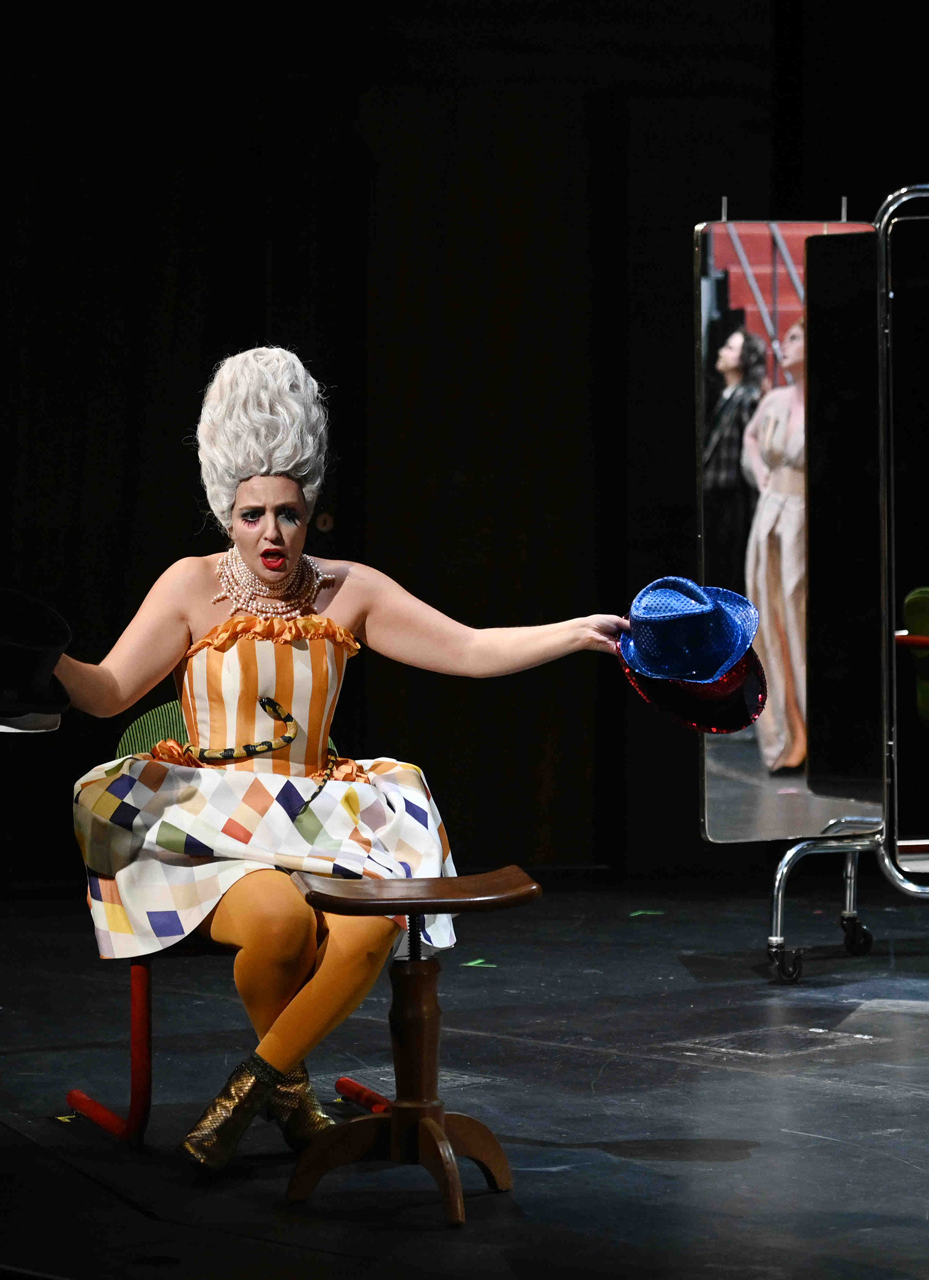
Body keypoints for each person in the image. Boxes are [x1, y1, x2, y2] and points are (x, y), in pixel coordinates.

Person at [60, 348, 629, 1170]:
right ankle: (292, 1097)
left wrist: (576, 632)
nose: (272, 533)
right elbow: (109, 690)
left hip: (316, 820)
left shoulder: (348, 589)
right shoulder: (189, 585)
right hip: (216, 826)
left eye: (288, 513)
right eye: (253, 515)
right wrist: (43, 661)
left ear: (310, 512)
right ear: (227, 514)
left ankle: (251, 1091)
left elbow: (469, 649)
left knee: (375, 926)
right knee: (282, 924)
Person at [742, 319, 807, 771]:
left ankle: (812, 732)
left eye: (797, 337)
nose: (786, 345)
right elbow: (750, 436)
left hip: (803, 518)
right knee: (770, 621)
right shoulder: (774, 400)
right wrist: (760, 472)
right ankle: (786, 734)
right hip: (769, 517)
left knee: (800, 619)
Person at [699, 328, 765, 595]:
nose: (721, 352)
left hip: (733, 495)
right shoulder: (728, 395)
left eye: (730, 348)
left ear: (745, 358)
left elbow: (752, 453)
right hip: (716, 492)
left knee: (728, 566)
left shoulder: (747, 398)